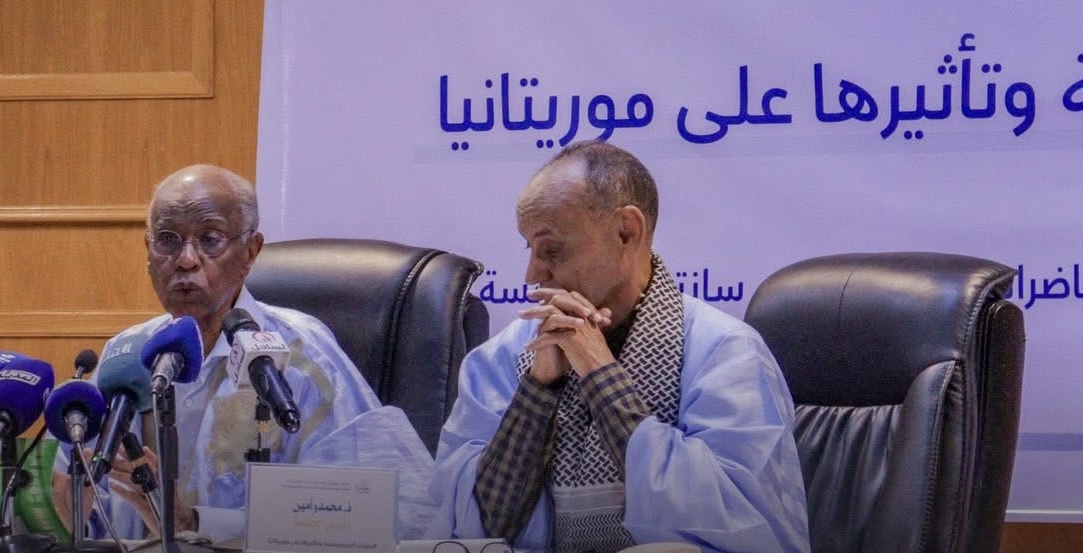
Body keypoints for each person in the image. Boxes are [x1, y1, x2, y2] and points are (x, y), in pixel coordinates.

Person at [429, 141, 809, 552]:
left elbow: (740, 524)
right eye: (531, 250)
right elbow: (476, 529)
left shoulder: (727, 353)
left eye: (552, 250)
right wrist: (537, 391)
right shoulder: (503, 358)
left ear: (627, 231)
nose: (532, 275)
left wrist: (602, 379)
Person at [53, 164, 436, 543]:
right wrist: (73, 513)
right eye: (167, 239)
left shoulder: (302, 354)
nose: (186, 259)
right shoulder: (125, 356)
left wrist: (192, 524)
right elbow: (85, 510)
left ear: (251, 252)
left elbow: (388, 515)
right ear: (148, 252)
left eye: (210, 238)